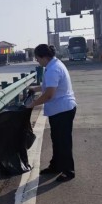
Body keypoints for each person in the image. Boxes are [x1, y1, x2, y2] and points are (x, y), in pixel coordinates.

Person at [25, 44, 77, 182]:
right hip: (60, 110)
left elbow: (49, 94)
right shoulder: (54, 64)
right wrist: (35, 89)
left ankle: (68, 171)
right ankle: (56, 166)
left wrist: (32, 105)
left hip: (62, 110)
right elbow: (48, 86)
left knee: (63, 142)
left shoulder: (53, 69)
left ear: (44, 57)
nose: (37, 61)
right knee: (57, 140)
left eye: (37, 59)